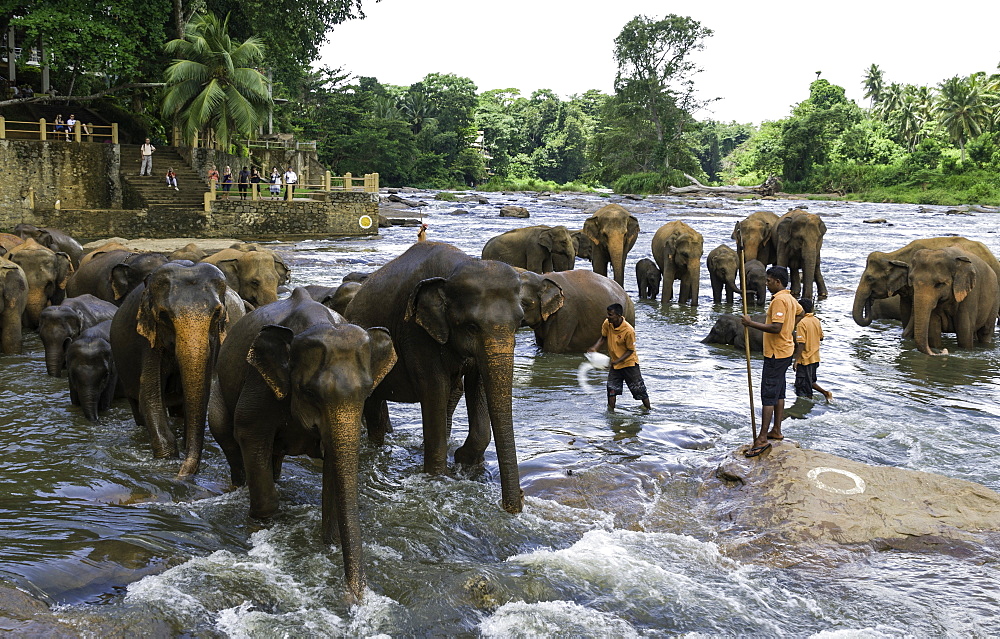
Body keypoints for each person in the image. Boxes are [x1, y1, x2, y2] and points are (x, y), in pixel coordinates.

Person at [741, 266, 803, 457]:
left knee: (768, 393)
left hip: (776, 353)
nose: (766, 284)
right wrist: (789, 327)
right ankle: (776, 429)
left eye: (768, 281)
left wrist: (751, 324)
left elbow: (776, 327)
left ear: (777, 282)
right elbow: (801, 312)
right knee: (779, 391)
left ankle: (762, 438)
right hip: (786, 351)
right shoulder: (791, 299)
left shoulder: (779, 300)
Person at [588, 303, 651, 411]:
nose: (608, 317)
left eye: (610, 315)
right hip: (615, 364)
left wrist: (616, 361)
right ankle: (611, 414)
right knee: (611, 389)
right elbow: (603, 337)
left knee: (639, 390)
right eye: (608, 314)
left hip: (629, 364)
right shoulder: (607, 323)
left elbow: (630, 350)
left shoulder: (628, 330)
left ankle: (648, 410)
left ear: (618, 315)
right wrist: (595, 348)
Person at [793, 298, 833, 402]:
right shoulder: (816, 320)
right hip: (815, 358)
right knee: (810, 382)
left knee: (802, 388)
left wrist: (796, 360)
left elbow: (801, 343)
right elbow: (821, 337)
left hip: (805, 359)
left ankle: (805, 408)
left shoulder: (801, 323)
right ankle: (825, 394)